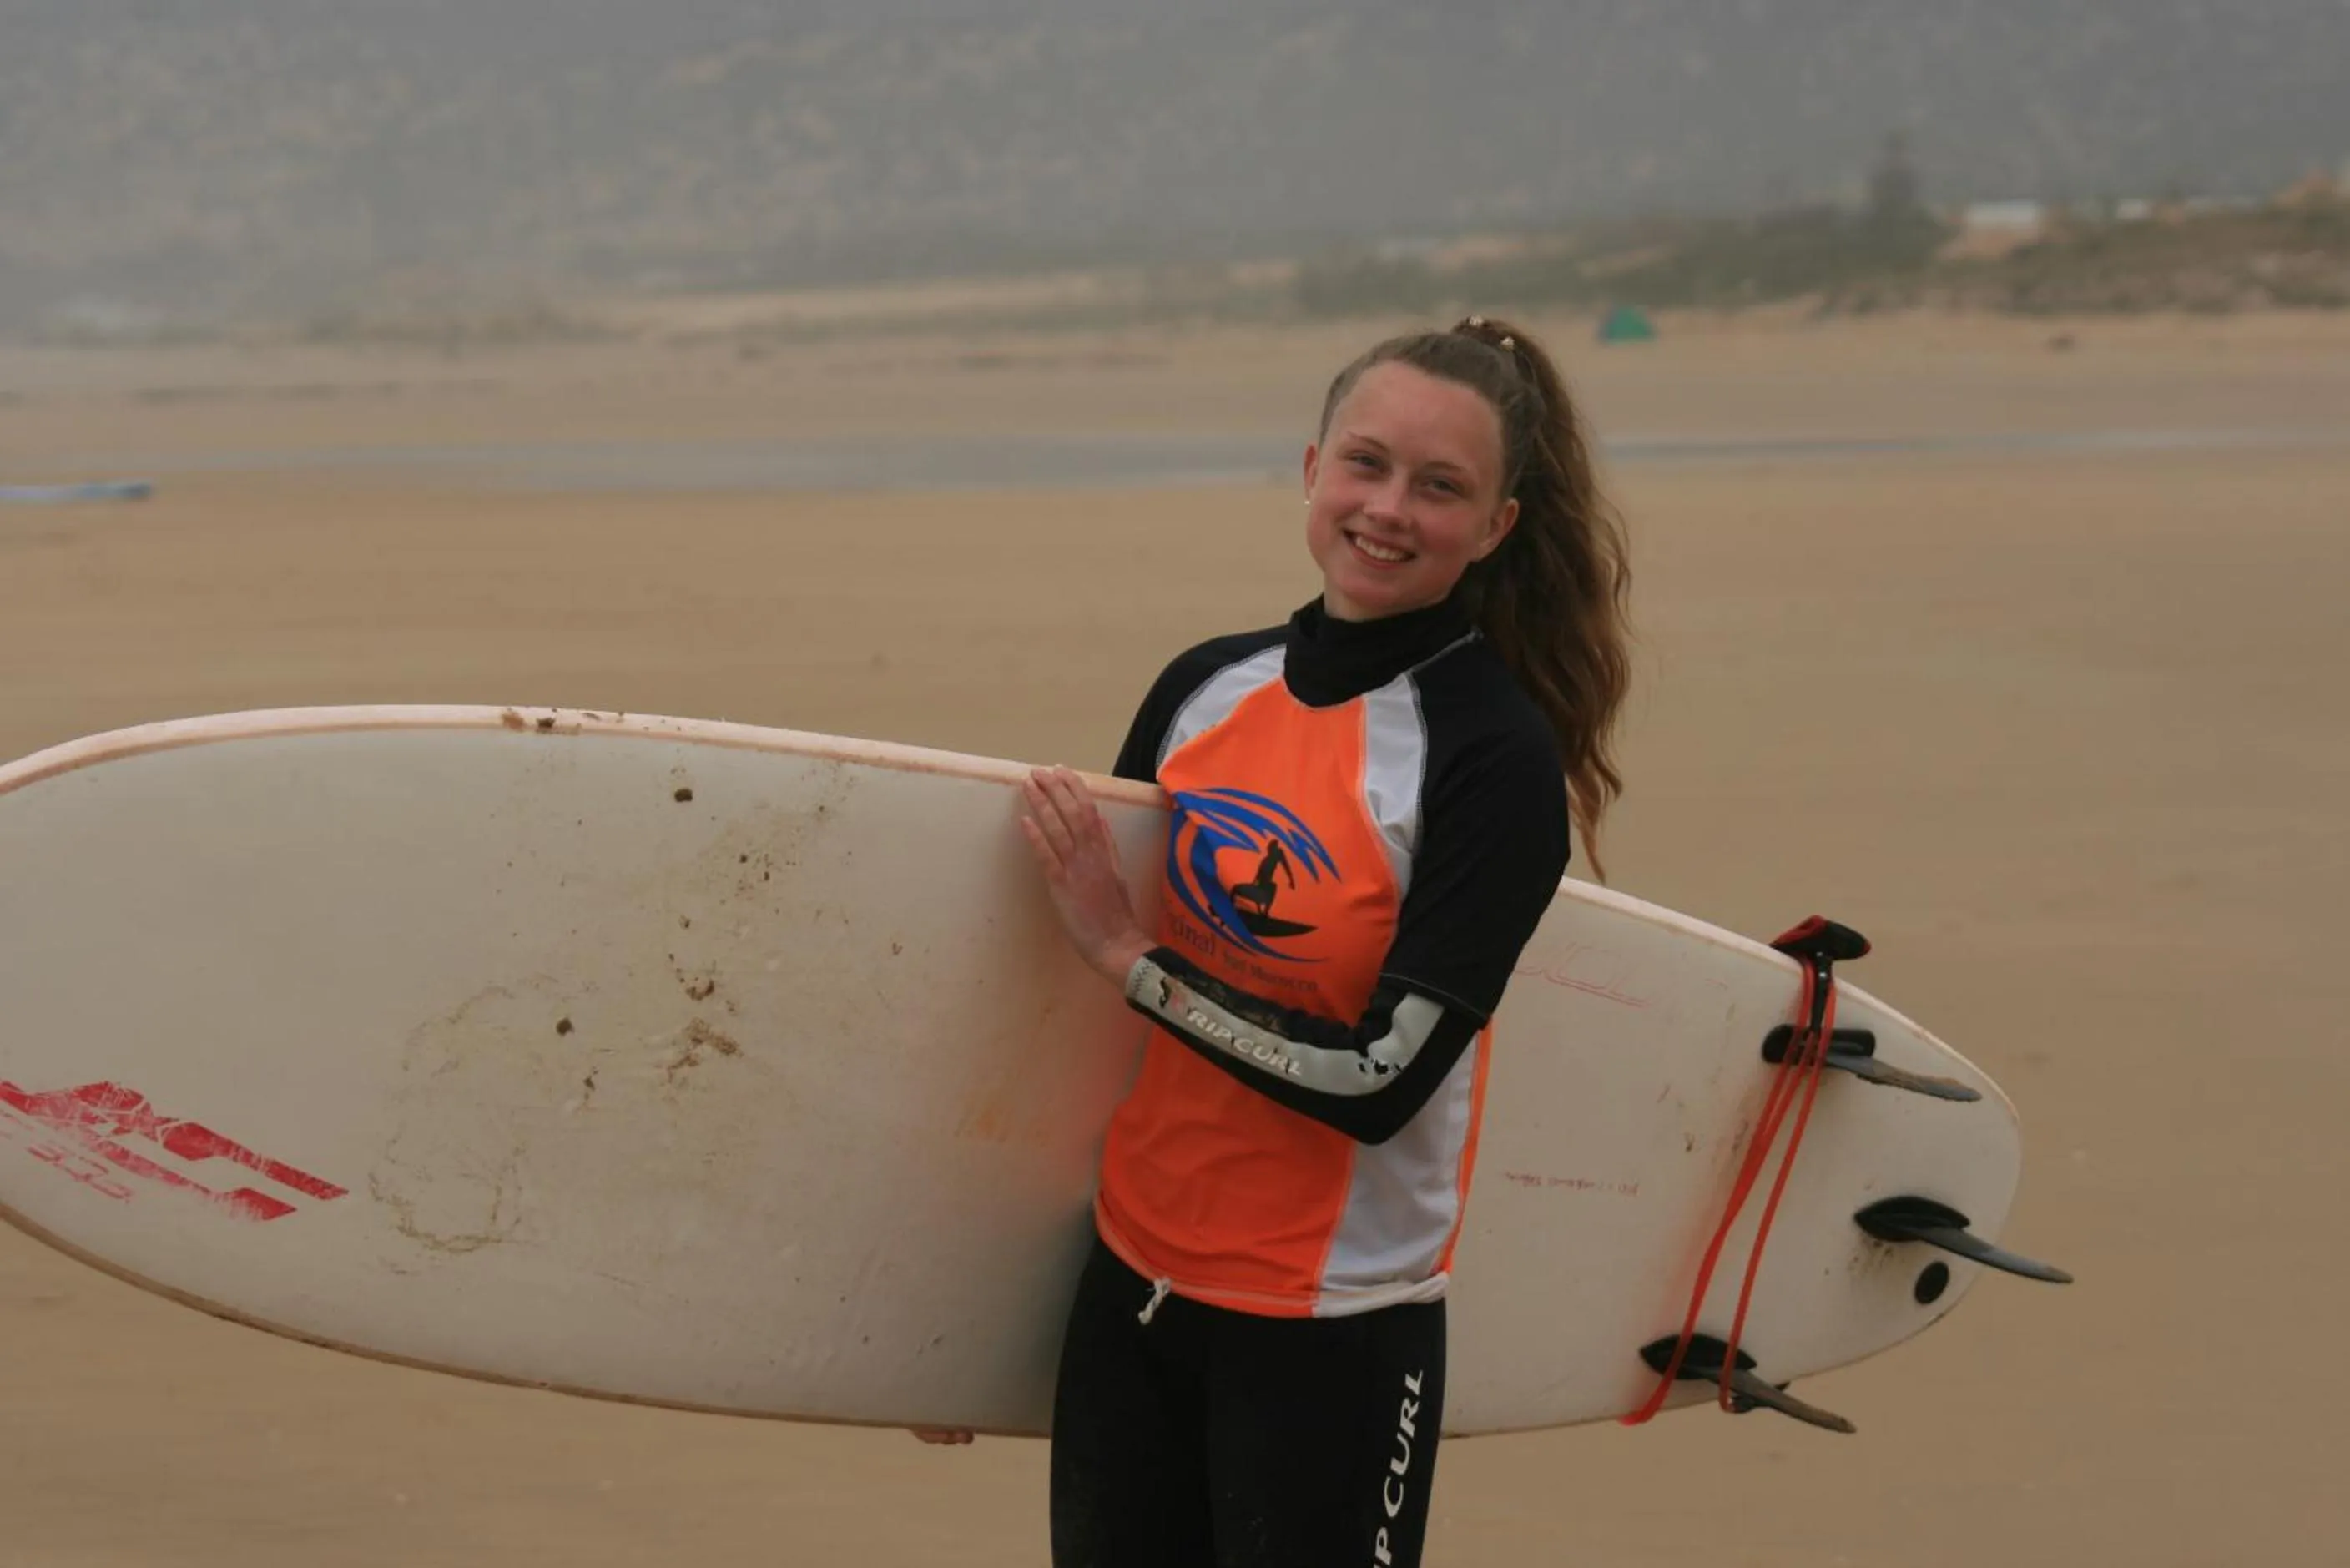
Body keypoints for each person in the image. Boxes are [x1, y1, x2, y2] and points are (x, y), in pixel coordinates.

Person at [928, 314, 1632, 1568]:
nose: (1388, 509)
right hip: (1131, 1286)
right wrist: (959, 1325)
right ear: (1310, 467)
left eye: (1441, 486)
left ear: (1498, 527)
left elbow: (1382, 1081)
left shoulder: (1489, 760)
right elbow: (1086, 1044)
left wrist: (1134, 961)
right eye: (1366, 464)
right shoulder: (1207, 688)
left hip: (1331, 1330)